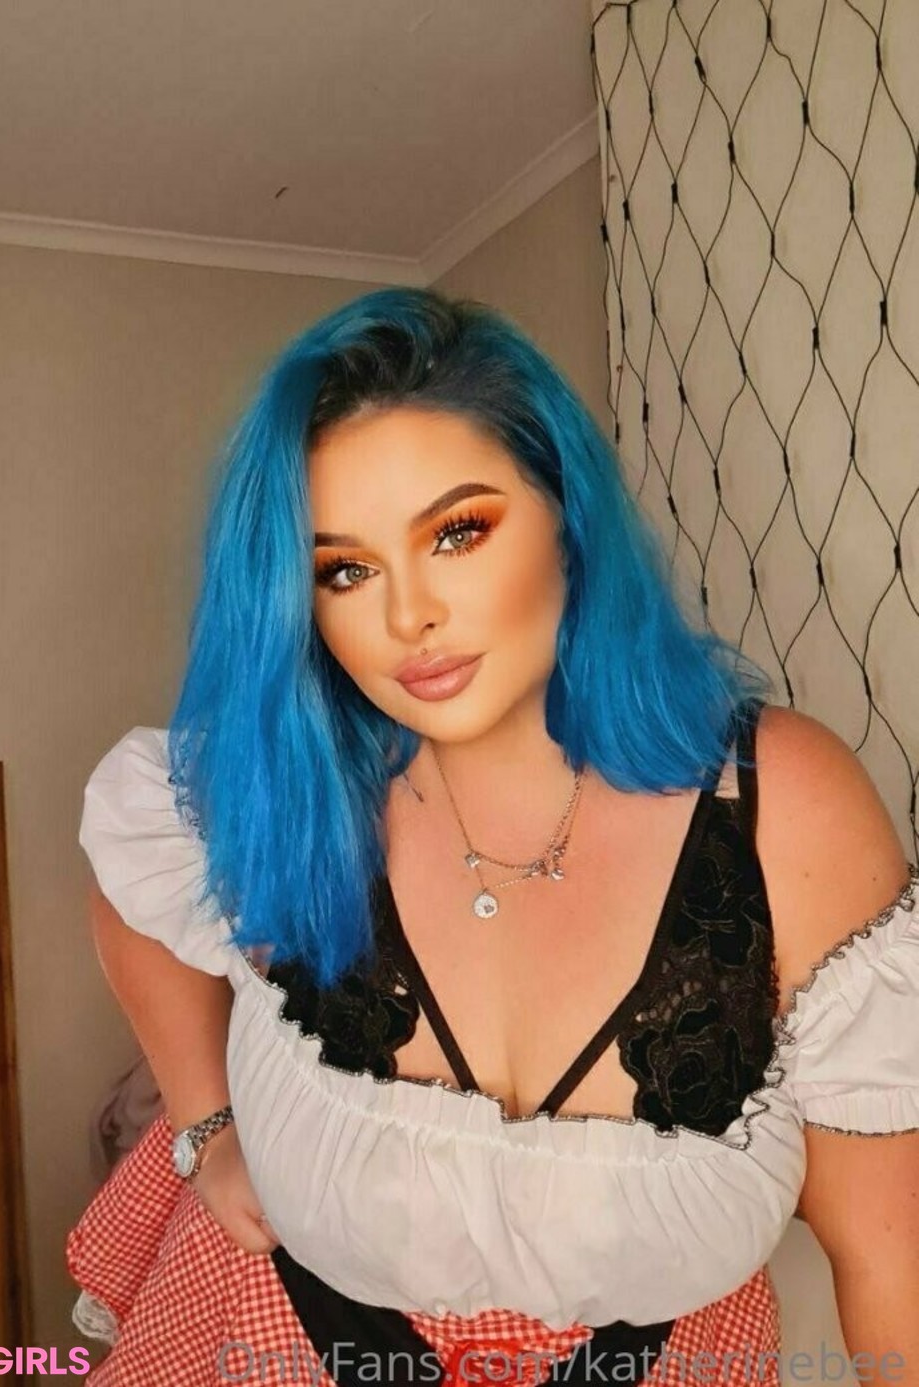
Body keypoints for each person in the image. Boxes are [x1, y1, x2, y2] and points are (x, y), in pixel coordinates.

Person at [68, 288, 918, 1386]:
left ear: (567, 516)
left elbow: (889, 1259)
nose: (406, 617)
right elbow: (130, 880)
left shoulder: (778, 805)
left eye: (456, 532)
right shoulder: (299, 776)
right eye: (345, 569)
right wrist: (205, 1125)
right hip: (263, 1339)